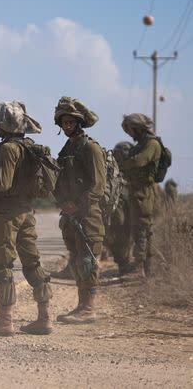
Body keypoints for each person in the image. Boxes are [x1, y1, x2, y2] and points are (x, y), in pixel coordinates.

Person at [0, 101, 53, 336]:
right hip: (27, 213)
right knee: (32, 263)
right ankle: (44, 318)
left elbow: (2, 183)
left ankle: (5, 320)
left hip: (8, 214)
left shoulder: (9, 149)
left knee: (3, 265)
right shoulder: (29, 147)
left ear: (6, 125)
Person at [53, 97, 106, 325]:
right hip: (71, 217)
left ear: (79, 122)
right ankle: (81, 306)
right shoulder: (68, 148)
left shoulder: (90, 148)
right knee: (76, 261)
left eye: (71, 121)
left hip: (88, 217)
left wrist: (78, 205)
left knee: (87, 261)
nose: (67, 125)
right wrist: (64, 204)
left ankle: (89, 309)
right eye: (63, 121)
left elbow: (98, 186)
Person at [119, 113, 162, 278]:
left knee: (141, 229)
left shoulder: (152, 144)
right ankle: (147, 267)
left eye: (129, 130)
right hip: (137, 190)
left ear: (137, 127)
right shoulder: (143, 143)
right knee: (140, 228)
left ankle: (139, 268)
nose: (129, 134)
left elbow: (139, 161)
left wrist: (121, 165)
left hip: (144, 192)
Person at [105, 141, 133, 275]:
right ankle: (123, 265)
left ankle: (125, 265)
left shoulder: (133, 168)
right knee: (116, 236)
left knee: (124, 236)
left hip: (128, 206)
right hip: (117, 206)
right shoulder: (112, 168)